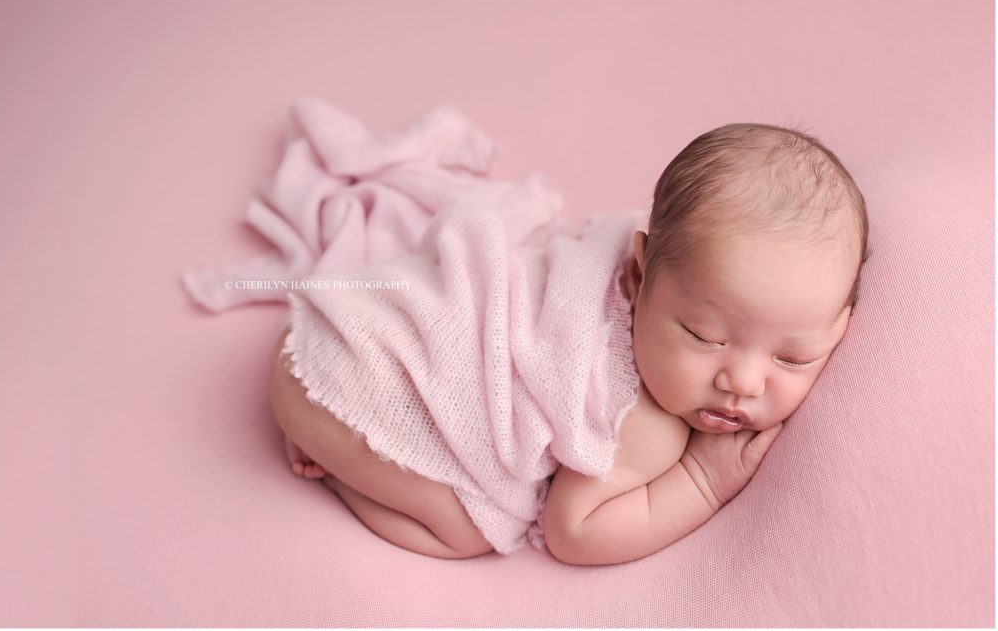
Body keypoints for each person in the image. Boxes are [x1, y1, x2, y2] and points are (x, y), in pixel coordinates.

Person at [269, 123, 869, 565]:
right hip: (342, 381)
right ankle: (337, 469)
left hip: (358, 319)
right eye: (704, 336)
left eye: (792, 358)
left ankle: (332, 444)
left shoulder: (661, 257)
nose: (743, 382)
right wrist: (701, 482)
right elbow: (573, 531)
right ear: (637, 275)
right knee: (470, 528)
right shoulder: (643, 424)